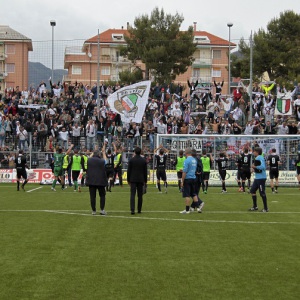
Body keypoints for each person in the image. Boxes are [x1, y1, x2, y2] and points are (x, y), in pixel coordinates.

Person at [86, 149, 108, 215]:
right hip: (101, 181)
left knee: (92, 196)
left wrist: (92, 153)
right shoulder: (101, 161)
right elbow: (106, 161)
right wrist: (103, 153)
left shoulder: (89, 160)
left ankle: (93, 211)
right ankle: (102, 209)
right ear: (99, 154)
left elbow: (89, 158)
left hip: (91, 181)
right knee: (102, 196)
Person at [127, 147, 148, 215]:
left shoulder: (131, 160)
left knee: (132, 195)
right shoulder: (143, 160)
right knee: (140, 195)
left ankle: (132, 210)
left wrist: (128, 180)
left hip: (133, 179)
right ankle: (139, 209)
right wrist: (145, 180)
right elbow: (145, 171)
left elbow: (128, 171)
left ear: (135, 152)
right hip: (140, 179)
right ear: (140, 152)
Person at [180, 148, 200, 214]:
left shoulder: (187, 160)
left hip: (188, 179)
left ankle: (187, 210)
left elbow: (185, 172)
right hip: (193, 178)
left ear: (186, 153)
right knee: (194, 194)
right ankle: (198, 208)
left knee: (187, 195)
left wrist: (182, 181)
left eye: (185, 153)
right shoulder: (194, 160)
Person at [249, 147, 268, 212]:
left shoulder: (260, 157)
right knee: (252, 191)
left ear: (257, 152)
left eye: (254, 151)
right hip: (257, 178)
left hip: (261, 178)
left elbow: (263, 167)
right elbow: (258, 167)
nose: (253, 152)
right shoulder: (257, 158)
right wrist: (253, 169)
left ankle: (266, 208)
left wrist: (255, 167)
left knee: (262, 193)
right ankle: (255, 206)